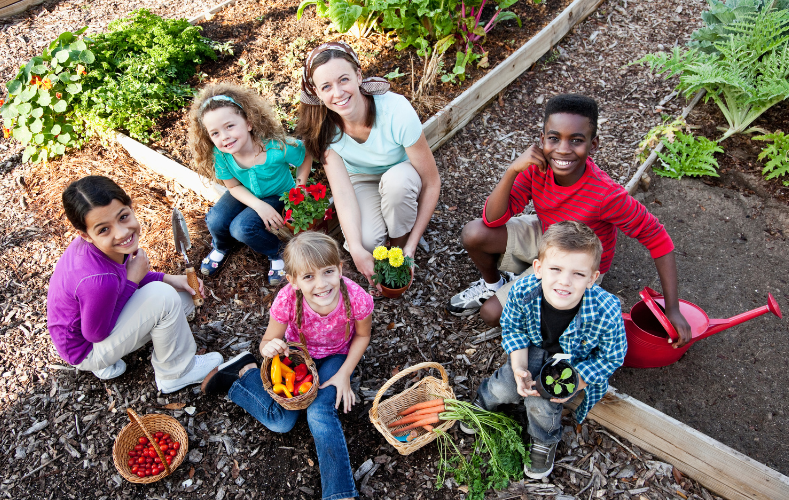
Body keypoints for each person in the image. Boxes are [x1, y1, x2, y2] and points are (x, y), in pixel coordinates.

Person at [447, 94, 692, 345]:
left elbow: (657, 238)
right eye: (554, 138)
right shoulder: (536, 168)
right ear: (542, 140)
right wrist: (512, 170)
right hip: (547, 235)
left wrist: (672, 308)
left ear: (593, 145)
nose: (563, 149)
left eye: (576, 140)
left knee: (491, 314)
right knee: (474, 233)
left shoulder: (605, 195)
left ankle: (553, 311)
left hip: (576, 259)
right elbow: (492, 219)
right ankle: (494, 283)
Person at [200, 231, 372, 500]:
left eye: (328, 271)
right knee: (282, 422)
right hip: (295, 358)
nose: (321, 284)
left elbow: (362, 335)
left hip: (334, 357)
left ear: (340, 268)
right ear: (292, 281)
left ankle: (340, 494)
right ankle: (245, 374)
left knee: (319, 412)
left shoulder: (356, 297)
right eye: (308, 277)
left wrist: (345, 374)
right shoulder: (288, 300)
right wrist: (268, 348)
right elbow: (268, 340)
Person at [463, 221, 627, 479]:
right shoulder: (522, 291)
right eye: (556, 269)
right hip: (532, 347)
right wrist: (518, 367)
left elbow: (612, 356)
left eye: (578, 274)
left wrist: (575, 382)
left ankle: (543, 439)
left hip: (573, 362)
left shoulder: (606, 310)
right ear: (538, 268)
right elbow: (514, 329)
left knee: (542, 402)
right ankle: (485, 400)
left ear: (593, 278)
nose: (565, 282)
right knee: (505, 386)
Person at [46, 176, 223, 393]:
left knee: (182, 298)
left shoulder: (100, 249)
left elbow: (123, 279)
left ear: (130, 206)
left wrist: (171, 279)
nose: (121, 233)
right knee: (165, 298)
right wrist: (133, 280)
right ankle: (176, 373)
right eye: (104, 229)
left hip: (83, 329)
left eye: (123, 217)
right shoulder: (98, 281)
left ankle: (110, 362)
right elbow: (96, 334)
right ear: (85, 235)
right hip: (86, 350)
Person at [295, 41, 441, 288]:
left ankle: (398, 244)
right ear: (317, 93)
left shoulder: (396, 111)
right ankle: (388, 229)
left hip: (402, 174)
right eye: (326, 86)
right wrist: (357, 251)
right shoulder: (322, 128)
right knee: (367, 243)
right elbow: (341, 192)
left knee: (397, 187)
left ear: (358, 76)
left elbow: (432, 182)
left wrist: (410, 246)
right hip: (362, 178)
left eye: (343, 80)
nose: (338, 93)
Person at [187, 83, 313, 285]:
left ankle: (278, 253)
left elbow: (305, 154)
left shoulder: (274, 147)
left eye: (230, 126)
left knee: (242, 228)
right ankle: (222, 245)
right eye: (215, 133)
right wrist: (257, 205)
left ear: (248, 123)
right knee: (215, 219)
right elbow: (233, 187)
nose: (225, 137)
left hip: (277, 194)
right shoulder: (220, 155)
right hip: (245, 192)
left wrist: (300, 186)